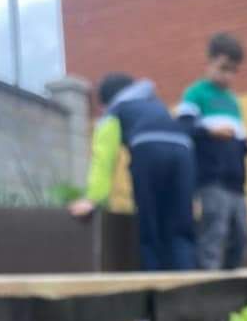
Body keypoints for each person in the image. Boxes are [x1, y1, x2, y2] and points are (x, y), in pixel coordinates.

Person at [69, 74, 196, 272]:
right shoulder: (155, 104)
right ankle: (188, 293)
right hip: (184, 151)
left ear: (106, 101)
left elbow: (104, 156)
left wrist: (92, 198)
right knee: (180, 230)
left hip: (148, 150)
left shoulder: (115, 109)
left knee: (150, 230)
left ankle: (153, 293)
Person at [177, 33, 247, 270]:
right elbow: (184, 128)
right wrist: (210, 132)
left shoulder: (232, 101)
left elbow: (233, 144)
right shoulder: (195, 94)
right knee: (213, 237)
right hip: (210, 182)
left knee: (241, 238)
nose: (228, 75)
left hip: (236, 184)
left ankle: (232, 288)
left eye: (233, 70)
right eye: (223, 68)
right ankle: (209, 291)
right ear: (209, 62)